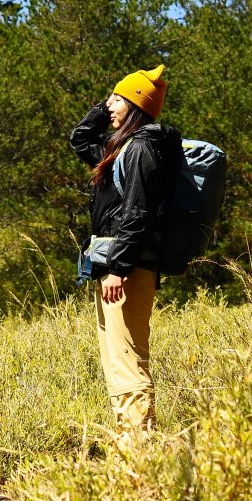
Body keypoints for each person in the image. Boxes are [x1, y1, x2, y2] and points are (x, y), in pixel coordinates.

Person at [69, 64, 181, 443]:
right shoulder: (121, 147)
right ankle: (131, 444)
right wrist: (104, 107)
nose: (110, 104)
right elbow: (79, 138)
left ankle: (141, 452)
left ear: (135, 104)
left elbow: (137, 212)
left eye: (118, 99)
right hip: (119, 265)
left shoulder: (142, 150)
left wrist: (119, 267)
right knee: (118, 361)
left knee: (128, 362)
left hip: (127, 268)